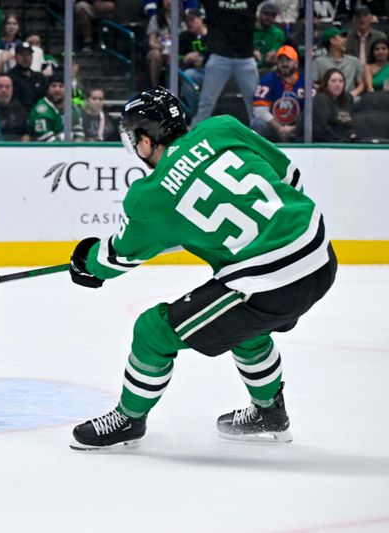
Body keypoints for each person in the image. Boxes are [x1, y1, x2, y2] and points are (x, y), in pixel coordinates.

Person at [69, 87, 337, 450]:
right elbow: (289, 179)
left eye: (134, 138)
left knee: (153, 330)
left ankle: (128, 419)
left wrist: (86, 260)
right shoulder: (223, 127)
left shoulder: (150, 195)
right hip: (319, 253)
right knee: (243, 323)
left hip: (271, 281)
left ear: (146, 140)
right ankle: (269, 412)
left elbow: (116, 258)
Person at [191, 0, 260, 126]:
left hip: (245, 58)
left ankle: (259, 136)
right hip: (219, 57)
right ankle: (195, 136)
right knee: (206, 102)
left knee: (255, 103)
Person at [251, 45, 305, 142]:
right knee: (258, 124)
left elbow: (312, 112)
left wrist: (294, 128)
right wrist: (280, 129)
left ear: (296, 63)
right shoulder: (267, 81)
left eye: (288, 60)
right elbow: (259, 111)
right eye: (281, 61)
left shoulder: (305, 82)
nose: (284, 64)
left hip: (297, 129)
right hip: (274, 129)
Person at [28, 71, 85, 142]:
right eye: (53, 86)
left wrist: (75, 150)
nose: (57, 89)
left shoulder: (73, 109)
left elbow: (79, 135)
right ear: (47, 90)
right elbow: (48, 142)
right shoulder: (41, 110)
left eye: (61, 86)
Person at [313, 26, 365, 98]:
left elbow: (362, 84)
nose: (345, 40)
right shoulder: (318, 62)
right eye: (342, 37)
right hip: (328, 101)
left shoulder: (354, 61)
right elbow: (312, 84)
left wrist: (352, 95)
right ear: (332, 40)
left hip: (350, 101)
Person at [312, 68, 358, 142]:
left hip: (342, 141)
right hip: (322, 143)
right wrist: (341, 140)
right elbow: (321, 129)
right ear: (326, 84)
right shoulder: (320, 99)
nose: (337, 84)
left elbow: (350, 125)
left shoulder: (347, 99)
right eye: (333, 81)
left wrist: (351, 135)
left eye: (341, 81)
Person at [0, 74, 29, 141]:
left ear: (12, 90)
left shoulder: (18, 108)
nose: (4, 90)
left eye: (7, 87)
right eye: (0, 87)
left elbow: (26, 134)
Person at [252, 1, 285, 75]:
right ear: (260, 13)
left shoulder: (278, 33)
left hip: (267, 70)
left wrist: (273, 56)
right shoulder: (249, 29)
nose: (269, 18)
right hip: (247, 66)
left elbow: (275, 53)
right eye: (266, 14)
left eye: (272, 15)